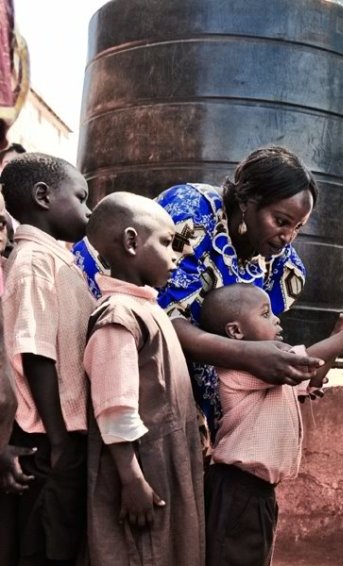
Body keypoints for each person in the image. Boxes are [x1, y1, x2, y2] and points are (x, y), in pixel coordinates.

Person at [73, 146, 324, 441]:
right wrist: (250, 355)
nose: (288, 236)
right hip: (116, 333)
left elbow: (255, 335)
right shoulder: (190, 217)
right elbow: (157, 313)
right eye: (281, 221)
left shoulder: (283, 268)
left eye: (298, 227)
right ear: (247, 201)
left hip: (186, 353)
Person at [200, 283, 343, 566]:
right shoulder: (241, 367)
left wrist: (339, 335)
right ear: (236, 332)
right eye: (266, 314)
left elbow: (313, 374)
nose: (276, 319)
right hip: (237, 489)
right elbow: (304, 364)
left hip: (255, 492)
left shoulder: (272, 371)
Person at [83, 192, 205, 565]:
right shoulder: (118, 315)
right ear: (132, 241)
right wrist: (131, 479)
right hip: (141, 466)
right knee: (141, 551)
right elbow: (113, 406)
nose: (177, 254)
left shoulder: (147, 307)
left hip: (163, 459)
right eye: (167, 242)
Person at [0, 152, 94, 564]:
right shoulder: (35, 262)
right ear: (43, 196)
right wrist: (58, 440)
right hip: (46, 440)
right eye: (81, 197)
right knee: (43, 546)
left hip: (59, 437)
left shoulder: (56, 259)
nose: (88, 211)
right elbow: (36, 352)